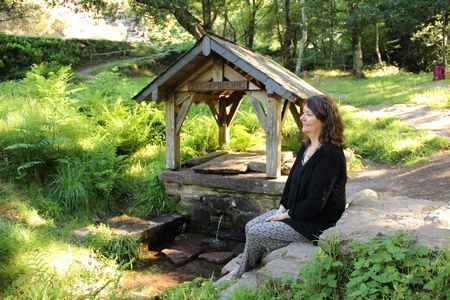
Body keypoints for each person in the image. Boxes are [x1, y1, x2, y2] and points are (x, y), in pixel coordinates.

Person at [233, 94, 347, 278]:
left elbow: (316, 202)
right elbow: (291, 182)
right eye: (303, 113)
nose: (302, 118)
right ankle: (251, 263)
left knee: (256, 231)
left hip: (316, 223)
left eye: (308, 114)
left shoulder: (330, 154)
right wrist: (283, 207)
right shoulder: (308, 146)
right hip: (297, 214)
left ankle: (240, 274)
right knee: (250, 225)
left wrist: (286, 216)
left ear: (324, 120)